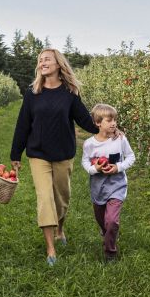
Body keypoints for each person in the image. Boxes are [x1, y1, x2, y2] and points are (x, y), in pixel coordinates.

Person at [10, 48, 99, 266]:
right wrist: (15, 154)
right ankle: (50, 249)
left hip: (62, 153)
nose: (42, 62)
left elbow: (85, 121)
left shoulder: (70, 93)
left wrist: (109, 129)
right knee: (45, 198)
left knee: (62, 197)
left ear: (59, 64)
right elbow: (23, 125)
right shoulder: (33, 93)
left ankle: (60, 228)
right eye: (40, 60)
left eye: (47, 59)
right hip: (38, 153)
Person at [81, 103, 135, 262]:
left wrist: (118, 167)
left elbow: (131, 157)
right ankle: (107, 233)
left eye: (115, 120)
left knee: (111, 220)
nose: (114, 123)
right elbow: (85, 162)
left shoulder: (120, 139)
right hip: (98, 188)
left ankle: (110, 252)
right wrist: (94, 168)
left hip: (117, 186)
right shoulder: (89, 144)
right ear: (98, 123)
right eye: (109, 120)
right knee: (102, 220)